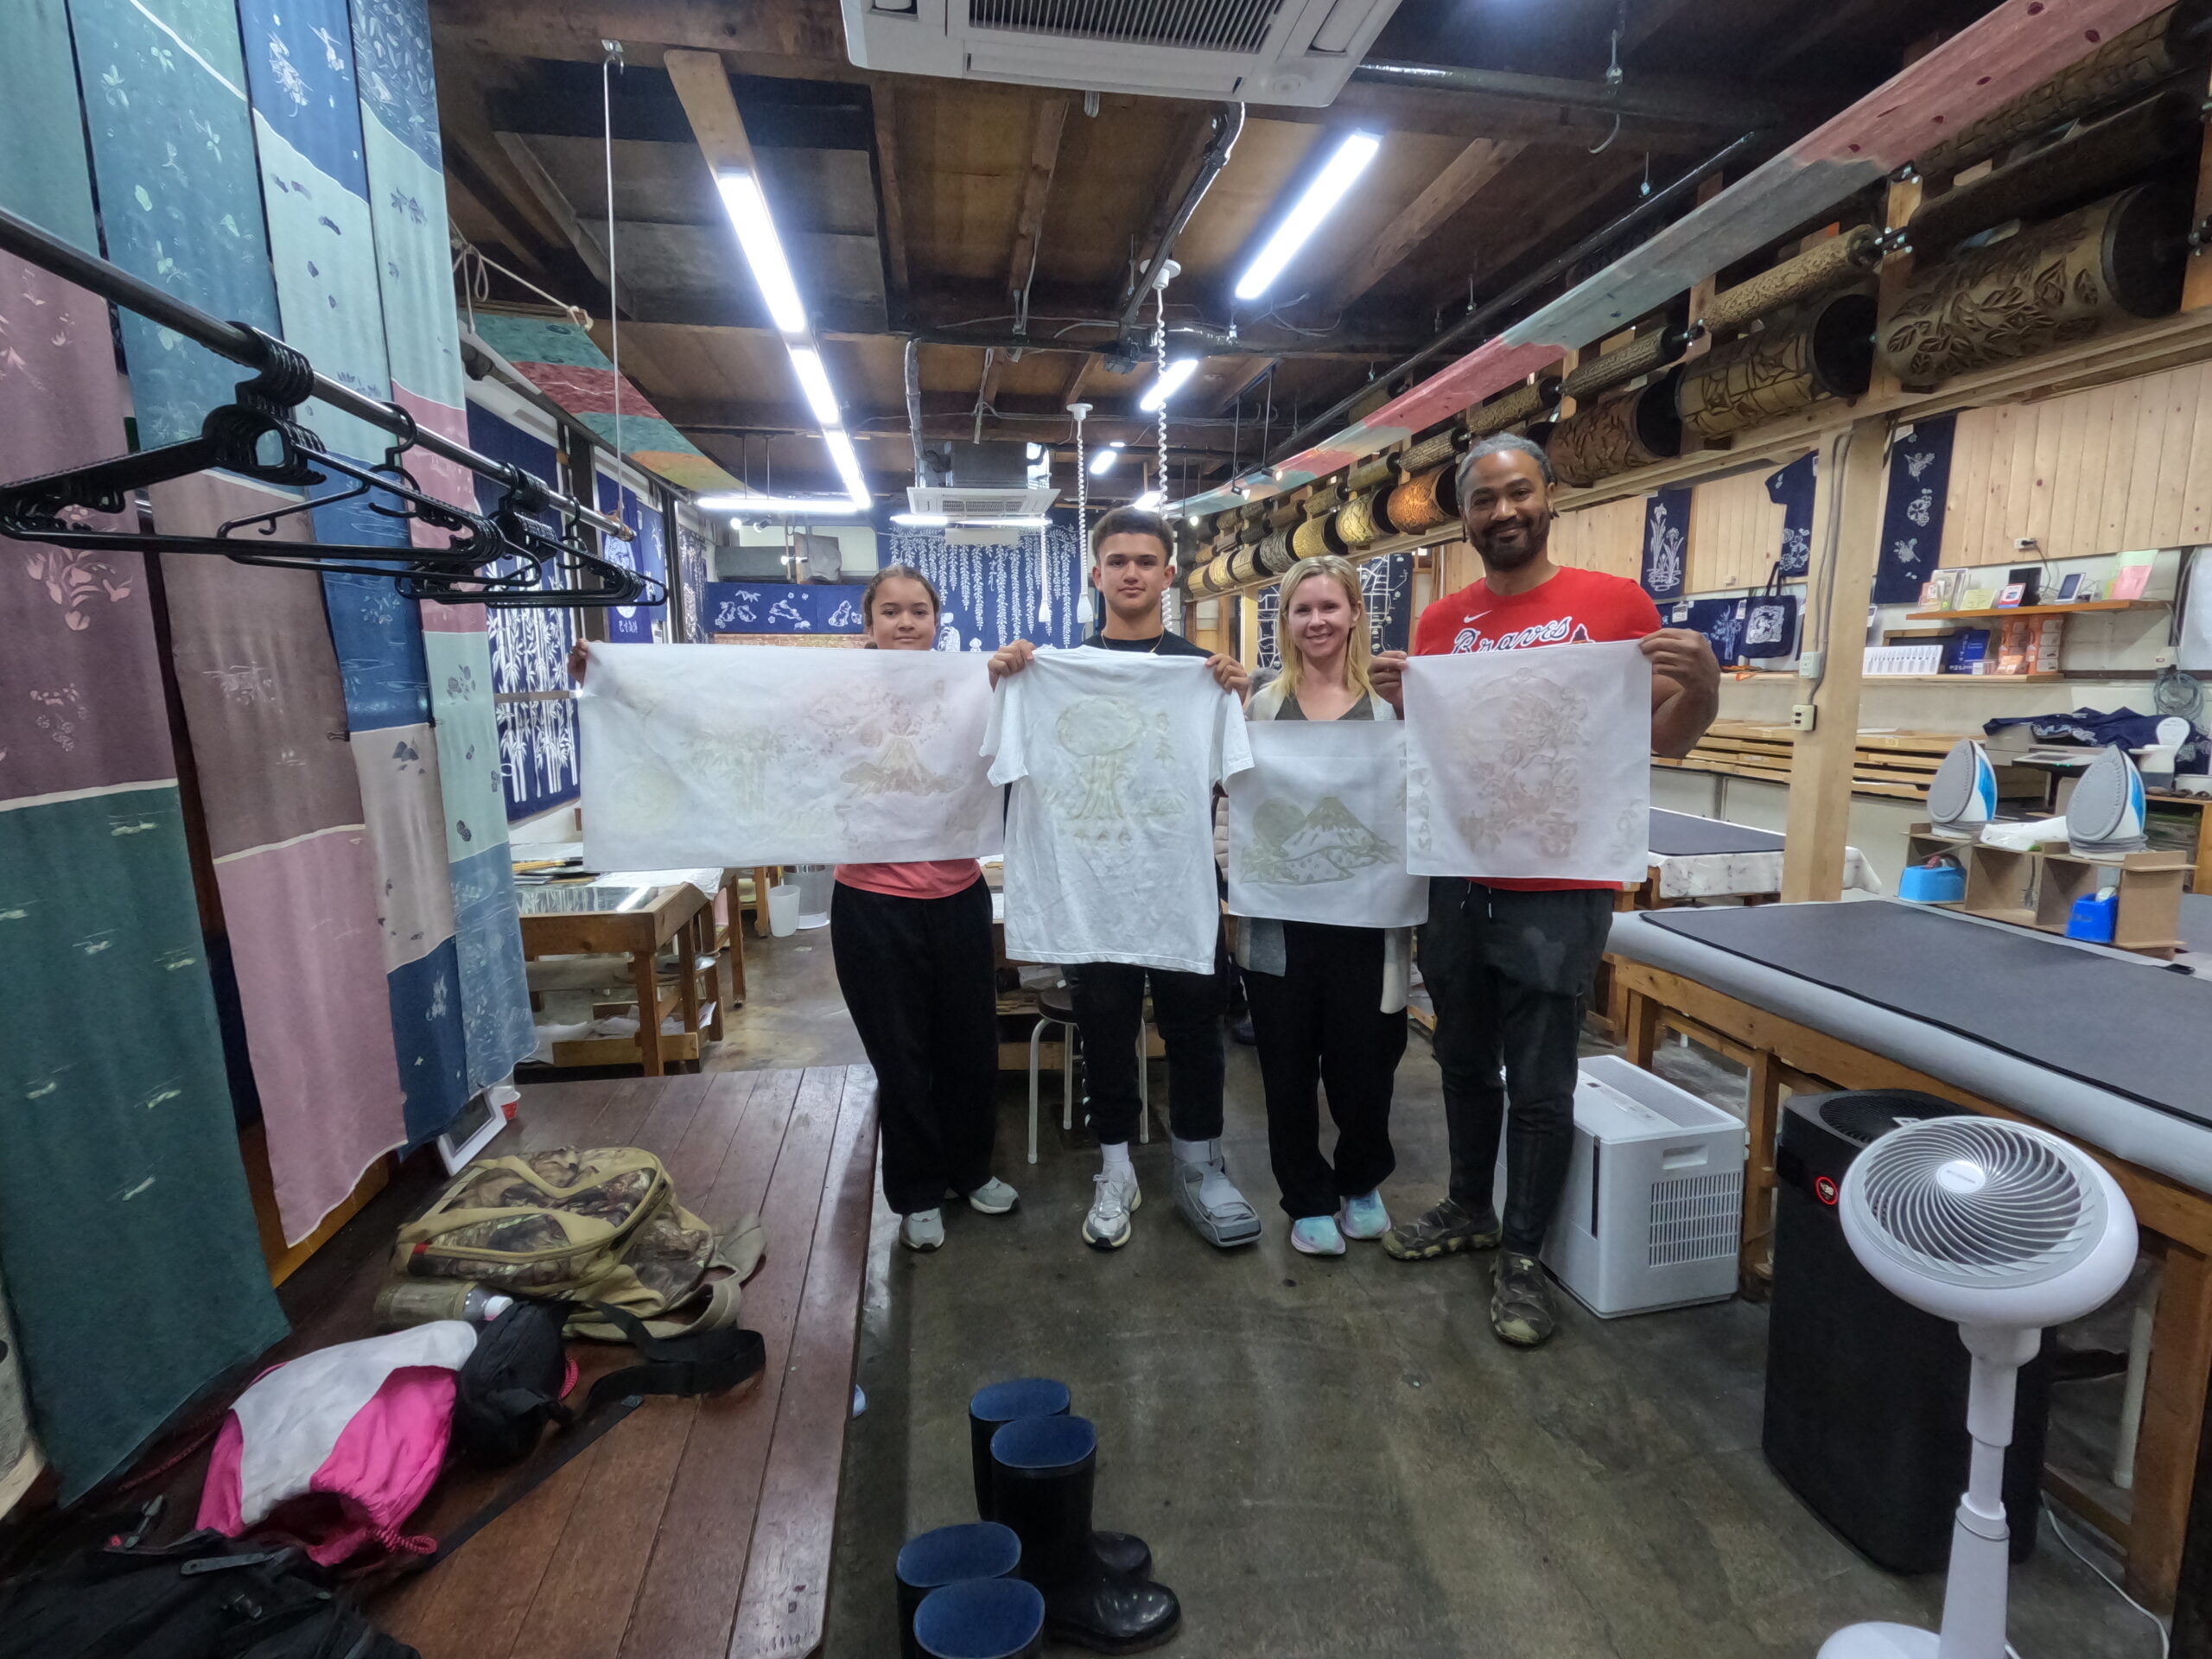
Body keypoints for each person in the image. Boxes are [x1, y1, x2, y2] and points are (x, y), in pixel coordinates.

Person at [1370, 434, 1719, 1346]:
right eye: (1484, 500)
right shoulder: (1440, 624)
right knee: (1459, 1058)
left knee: (1539, 1077)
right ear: (1464, 518)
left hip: (1560, 884)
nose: (1504, 512)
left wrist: (1705, 688)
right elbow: (1443, 751)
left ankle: (1522, 1257)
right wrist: (1404, 702)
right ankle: (1467, 1205)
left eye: (1518, 492)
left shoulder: (1616, 606)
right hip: (1458, 877)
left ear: (1550, 496)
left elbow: (1666, 740)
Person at [570, 569, 1019, 1254]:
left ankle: (972, 1171)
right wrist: (615, 678)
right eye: (890, 611)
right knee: (900, 1056)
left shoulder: (974, 686)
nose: (905, 623)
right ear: (868, 623)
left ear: (937, 620)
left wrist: (1017, 671)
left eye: (919, 611)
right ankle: (919, 1192)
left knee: (971, 1047)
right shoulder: (833, 692)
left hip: (959, 899)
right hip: (872, 906)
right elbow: (733, 713)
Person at [990, 505, 1257, 1253]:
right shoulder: (1048, 672)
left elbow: (1234, 781)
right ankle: (1114, 1171)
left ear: (1169, 575)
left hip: (1177, 889)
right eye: (1118, 561)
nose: (1131, 573)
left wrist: (1237, 699)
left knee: (1196, 1032)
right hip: (1090, 891)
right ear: (1096, 573)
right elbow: (1005, 767)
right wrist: (1003, 682)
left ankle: (1201, 1168)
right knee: (1103, 1034)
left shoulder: (1203, 673)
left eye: (1146, 561)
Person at [1236, 556, 1410, 1258]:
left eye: (1330, 607)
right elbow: (1233, 800)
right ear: (1285, 621)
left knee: (1366, 1065)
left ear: (1356, 614)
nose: (1317, 621)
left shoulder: (1390, 709)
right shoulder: (1259, 708)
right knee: (1286, 1067)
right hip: (1279, 925)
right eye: (1302, 609)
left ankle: (1361, 1181)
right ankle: (1306, 1195)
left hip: (1371, 924)